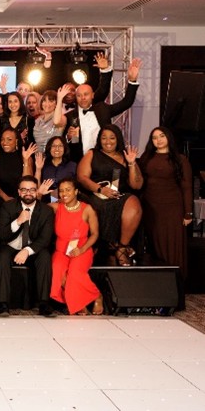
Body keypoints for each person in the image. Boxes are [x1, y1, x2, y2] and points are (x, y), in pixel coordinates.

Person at [76, 125, 143, 266]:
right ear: (99, 140)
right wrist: (100, 189)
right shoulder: (92, 154)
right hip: (97, 195)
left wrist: (132, 163)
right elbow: (82, 177)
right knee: (98, 207)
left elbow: (137, 185)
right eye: (104, 138)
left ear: (118, 139)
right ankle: (106, 249)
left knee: (134, 204)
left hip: (120, 196)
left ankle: (122, 248)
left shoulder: (125, 156)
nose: (108, 141)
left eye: (112, 138)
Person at [54, 58, 142, 161]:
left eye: (86, 94)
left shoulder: (103, 109)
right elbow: (64, 132)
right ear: (75, 98)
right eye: (79, 95)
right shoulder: (71, 116)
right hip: (80, 161)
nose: (83, 98)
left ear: (92, 95)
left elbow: (126, 103)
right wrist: (69, 137)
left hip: (104, 159)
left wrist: (132, 81)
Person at [0, 176, 55, 317]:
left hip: (33, 247)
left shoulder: (46, 211)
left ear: (37, 191)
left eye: (32, 190)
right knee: (2, 257)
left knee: (45, 256)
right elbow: (1, 235)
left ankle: (44, 303)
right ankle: (3, 304)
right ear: (19, 191)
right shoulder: (8, 207)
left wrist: (27, 251)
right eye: (24, 190)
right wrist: (18, 221)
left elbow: (45, 239)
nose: (28, 193)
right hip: (11, 245)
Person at [139, 127, 193, 279]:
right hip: (151, 209)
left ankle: (177, 284)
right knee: (155, 246)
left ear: (168, 137)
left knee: (173, 246)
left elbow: (186, 187)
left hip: (172, 209)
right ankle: (160, 284)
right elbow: (139, 182)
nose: (158, 140)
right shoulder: (146, 158)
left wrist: (188, 212)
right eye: (154, 137)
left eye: (162, 136)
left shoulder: (180, 159)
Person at [45, 178, 102, 315]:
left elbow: (95, 234)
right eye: (61, 191)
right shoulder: (56, 207)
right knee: (57, 271)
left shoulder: (87, 209)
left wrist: (82, 249)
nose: (64, 193)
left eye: (68, 190)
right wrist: (40, 193)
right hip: (61, 250)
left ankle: (97, 296)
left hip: (81, 249)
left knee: (75, 273)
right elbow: (36, 208)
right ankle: (78, 301)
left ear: (76, 191)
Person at [0, 128, 36, 202]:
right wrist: (5, 197)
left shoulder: (26, 156)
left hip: (21, 199)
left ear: (16, 141)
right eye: (2, 139)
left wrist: (26, 161)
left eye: (9, 139)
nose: (5, 142)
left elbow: (27, 182)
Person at [34, 136, 77, 202]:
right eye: (53, 146)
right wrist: (38, 169)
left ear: (65, 148)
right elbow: (36, 188)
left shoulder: (72, 165)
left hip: (67, 201)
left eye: (60, 146)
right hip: (45, 202)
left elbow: (76, 187)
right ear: (49, 148)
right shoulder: (43, 164)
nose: (57, 148)